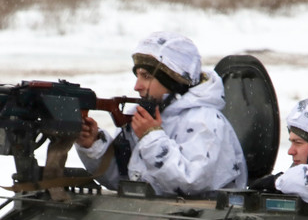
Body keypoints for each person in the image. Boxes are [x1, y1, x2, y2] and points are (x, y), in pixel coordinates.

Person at [75, 32, 248, 197]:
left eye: (146, 76)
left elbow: (191, 183)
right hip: (151, 214)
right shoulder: (146, 114)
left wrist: (151, 138)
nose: (137, 86)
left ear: (172, 79)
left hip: (198, 216)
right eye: (137, 76)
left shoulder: (206, 121)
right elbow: (125, 180)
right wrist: (95, 145)